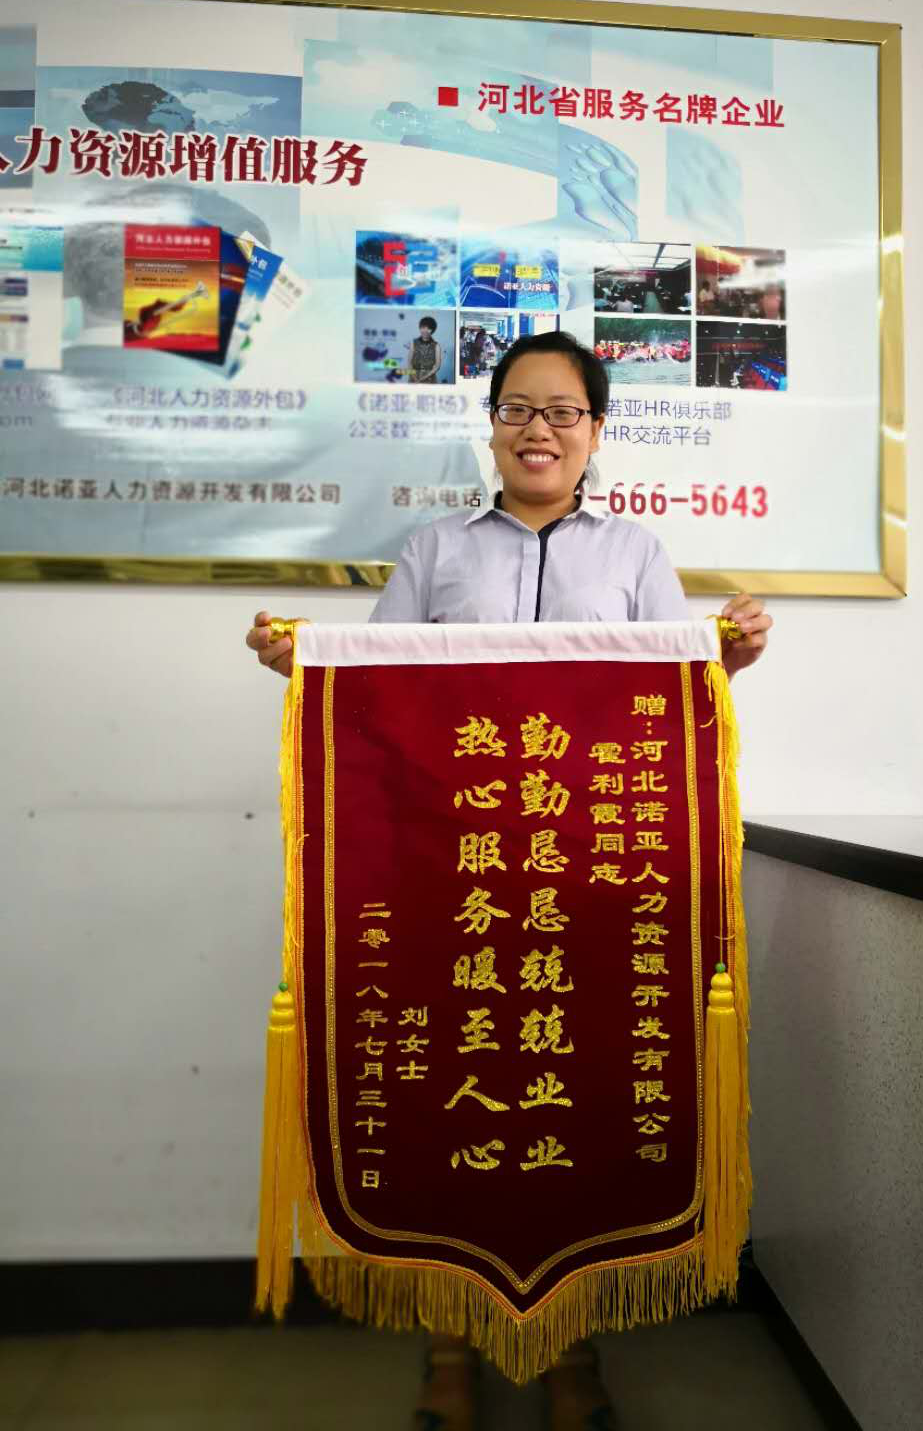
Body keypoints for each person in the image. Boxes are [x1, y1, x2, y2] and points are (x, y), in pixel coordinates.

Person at [246, 331, 772, 1430]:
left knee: (578, 1101)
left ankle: (570, 1348)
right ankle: (450, 1345)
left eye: (564, 412)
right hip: (455, 886)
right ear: (490, 427)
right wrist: (305, 666)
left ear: (595, 432)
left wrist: (724, 660)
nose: (541, 430)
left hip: (589, 889)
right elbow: (372, 699)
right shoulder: (434, 550)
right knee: (453, 1097)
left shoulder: (635, 553)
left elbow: (673, 702)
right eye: (519, 410)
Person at [407, 314, 443, 383]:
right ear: (420, 328)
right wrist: (414, 378)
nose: (425, 331)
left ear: (432, 330)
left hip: (429, 378)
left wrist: (424, 377)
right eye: (423, 327)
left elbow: (437, 366)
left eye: (428, 328)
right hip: (413, 377)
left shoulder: (436, 346)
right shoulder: (413, 343)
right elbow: (409, 363)